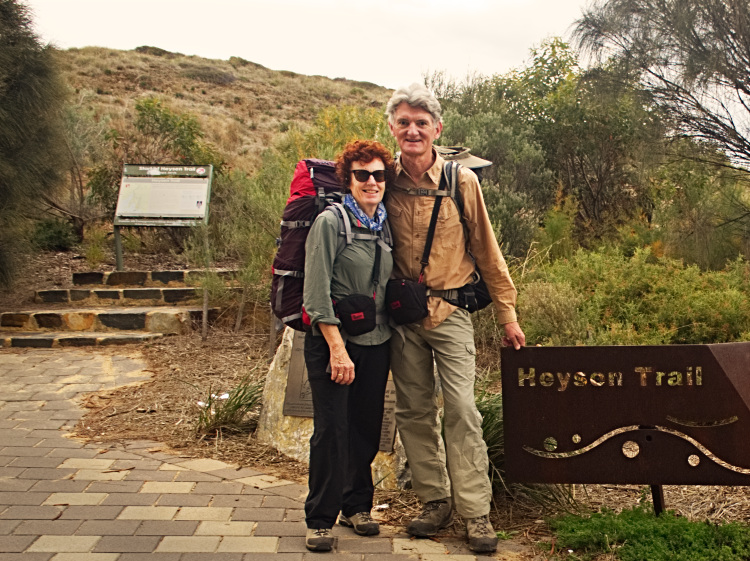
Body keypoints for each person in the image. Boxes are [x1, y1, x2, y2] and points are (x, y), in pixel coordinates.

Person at [384, 83, 526, 553]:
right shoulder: (384, 178)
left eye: (421, 123)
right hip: (402, 317)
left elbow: (487, 248)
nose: (413, 130)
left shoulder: (460, 181)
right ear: (392, 128)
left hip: (450, 312)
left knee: (462, 409)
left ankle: (475, 512)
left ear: (437, 129)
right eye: (404, 122)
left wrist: (507, 315)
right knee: (413, 411)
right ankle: (434, 501)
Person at [302, 140, 395, 552]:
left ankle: (356, 506)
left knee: (364, 428)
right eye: (362, 174)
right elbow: (315, 293)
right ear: (348, 179)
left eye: (378, 174)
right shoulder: (331, 222)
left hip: (376, 341)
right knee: (331, 430)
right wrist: (337, 349)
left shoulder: (385, 225)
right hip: (332, 343)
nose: (371, 182)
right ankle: (320, 519)